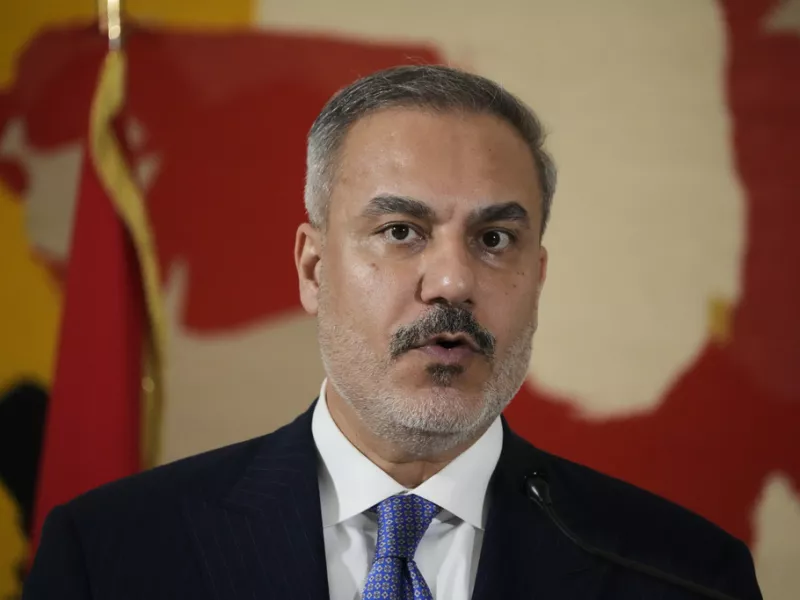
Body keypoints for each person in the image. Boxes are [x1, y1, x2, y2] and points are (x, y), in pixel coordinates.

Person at [23, 65, 762, 600]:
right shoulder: (110, 555)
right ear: (314, 269)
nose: (453, 282)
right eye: (401, 230)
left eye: (495, 239)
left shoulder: (688, 574)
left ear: (537, 277)